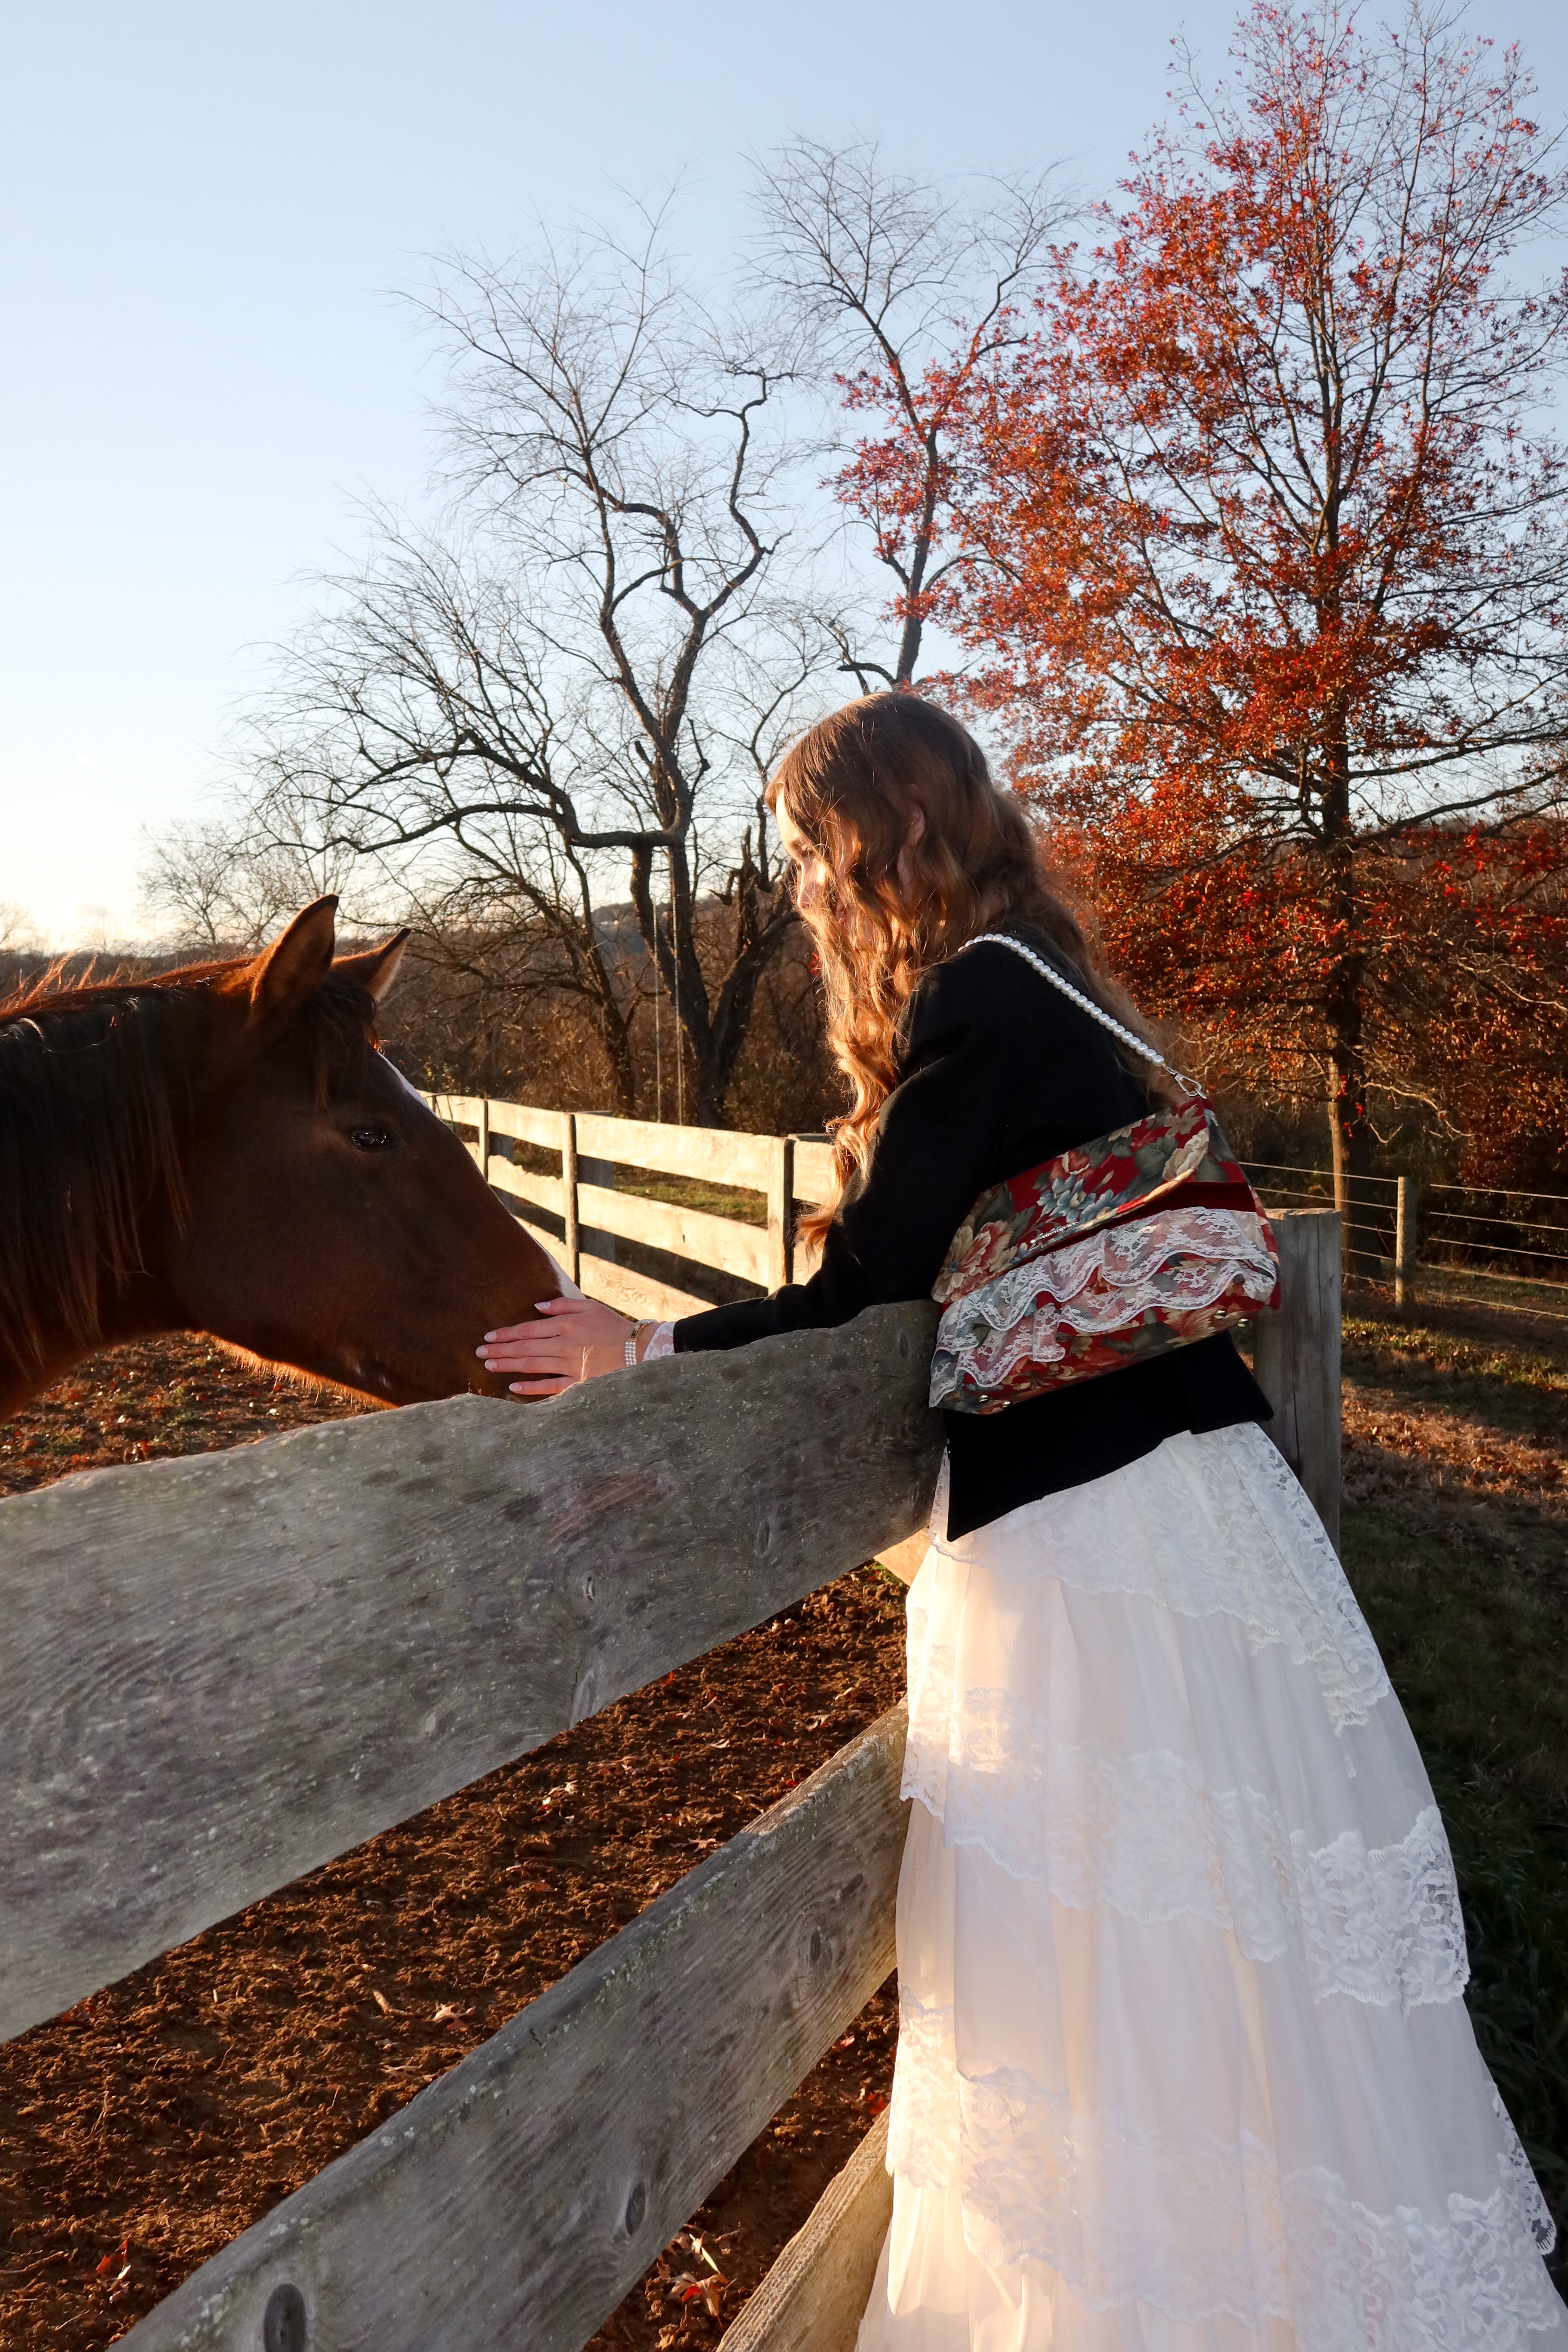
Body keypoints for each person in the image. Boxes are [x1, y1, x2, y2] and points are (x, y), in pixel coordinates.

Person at [478, 695, 1563, 2350]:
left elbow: (868, 1283)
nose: (797, 891)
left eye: (805, 852)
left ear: (887, 838)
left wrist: (639, 1345)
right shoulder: (1058, 984)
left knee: (1102, 1955)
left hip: (1094, 1538)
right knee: (1215, 1946)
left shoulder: (980, 997)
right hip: (1199, 1506)